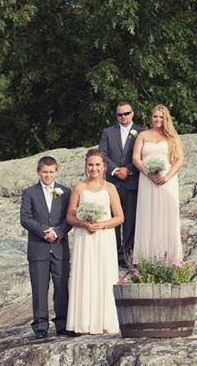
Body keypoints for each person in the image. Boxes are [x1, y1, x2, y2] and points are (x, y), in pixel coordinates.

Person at [65, 149, 123, 335]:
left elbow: (120, 217)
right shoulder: (79, 188)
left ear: (104, 166)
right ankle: (84, 323)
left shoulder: (110, 188)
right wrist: (83, 223)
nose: (94, 168)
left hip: (104, 238)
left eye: (97, 164)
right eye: (90, 164)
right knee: (85, 275)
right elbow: (70, 216)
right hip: (85, 238)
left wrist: (103, 225)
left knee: (104, 276)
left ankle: (105, 322)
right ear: (86, 166)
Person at [20, 156, 73, 339]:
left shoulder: (65, 192)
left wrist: (57, 232)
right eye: (44, 172)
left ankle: (63, 323)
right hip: (38, 247)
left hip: (59, 247)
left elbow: (70, 218)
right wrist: (44, 232)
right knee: (40, 288)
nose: (48, 175)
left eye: (51, 172)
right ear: (38, 172)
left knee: (61, 287)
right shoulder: (30, 193)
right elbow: (25, 218)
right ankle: (40, 326)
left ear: (56, 172)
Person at [132, 104, 185, 262]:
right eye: (155, 116)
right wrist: (148, 173)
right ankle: (146, 256)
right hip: (147, 180)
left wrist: (167, 176)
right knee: (147, 214)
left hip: (167, 180)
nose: (158, 119)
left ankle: (170, 256)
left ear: (166, 119)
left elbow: (180, 159)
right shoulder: (143, 135)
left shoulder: (173, 137)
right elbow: (135, 158)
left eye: (161, 117)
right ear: (151, 117)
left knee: (167, 214)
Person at [99, 102, 143, 267]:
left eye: (126, 113)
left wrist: (129, 170)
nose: (123, 117)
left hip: (132, 182)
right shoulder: (108, 132)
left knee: (131, 220)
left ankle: (128, 254)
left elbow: (144, 155)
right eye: (120, 114)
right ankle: (114, 253)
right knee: (113, 219)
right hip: (114, 183)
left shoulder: (141, 132)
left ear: (133, 113)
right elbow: (102, 153)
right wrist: (116, 169)